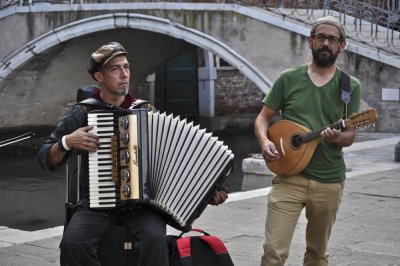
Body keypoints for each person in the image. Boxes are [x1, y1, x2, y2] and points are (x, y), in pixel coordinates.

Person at [38, 41, 229, 265]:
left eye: (126, 67)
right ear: (99, 77)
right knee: (73, 243)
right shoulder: (84, 111)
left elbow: (178, 159)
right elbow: (44, 157)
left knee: (155, 239)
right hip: (96, 204)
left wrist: (210, 193)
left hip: (141, 205)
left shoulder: (145, 111)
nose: (124, 74)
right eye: (115, 69)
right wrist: (67, 142)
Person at [255, 16, 361, 266]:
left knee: (317, 254)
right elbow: (263, 118)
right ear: (310, 41)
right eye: (321, 38)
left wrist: (337, 137)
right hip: (288, 176)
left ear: (342, 45)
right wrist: (263, 141)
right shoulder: (288, 78)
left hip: (329, 180)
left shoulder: (349, 86)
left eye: (332, 39)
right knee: (273, 253)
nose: (326, 43)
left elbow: (350, 136)